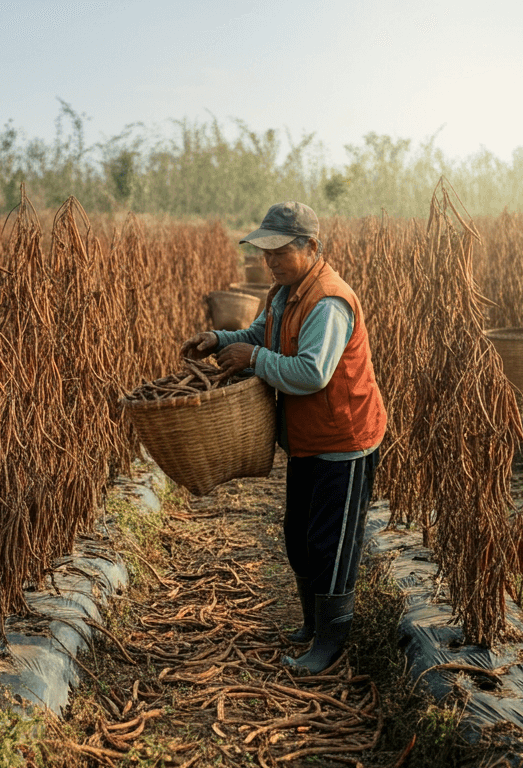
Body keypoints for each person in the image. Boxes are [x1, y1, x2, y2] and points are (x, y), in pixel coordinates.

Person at [182, 201, 386, 675]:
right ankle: (313, 624)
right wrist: (220, 338)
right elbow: (264, 333)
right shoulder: (284, 292)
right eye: (263, 251)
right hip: (308, 438)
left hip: (345, 438)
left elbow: (312, 372)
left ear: (310, 247)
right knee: (298, 536)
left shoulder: (329, 302)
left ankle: (331, 643)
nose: (268, 261)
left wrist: (252, 360)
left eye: (277, 251)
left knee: (331, 543)